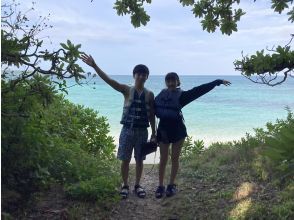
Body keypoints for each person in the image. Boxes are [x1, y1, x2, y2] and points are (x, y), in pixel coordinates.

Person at [81, 54, 156, 199]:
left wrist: (154, 133)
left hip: (142, 132)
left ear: (147, 77)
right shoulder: (126, 90)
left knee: (140, 159)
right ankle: (125, 185)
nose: (141, 76)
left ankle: (138, 185)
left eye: (144, 74)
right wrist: (94, 66)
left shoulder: (150, 94)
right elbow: (109, 81)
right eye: (139, 74)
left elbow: (152, 115)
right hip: (127, 130)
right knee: (125, 159)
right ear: (134, 75)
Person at [154, 72, 231, 198]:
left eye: (173, 80)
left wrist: (217, 82)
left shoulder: (182, 96)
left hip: (178, 131)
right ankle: (160, 185)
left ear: (178, 82)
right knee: (163, 159)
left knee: (174, 158)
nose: (171, 83)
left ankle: (171, 185)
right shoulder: (160, 96)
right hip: (163, 131)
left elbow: (199, 90)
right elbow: (150, 108)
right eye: (168, 81)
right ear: (166, 83)